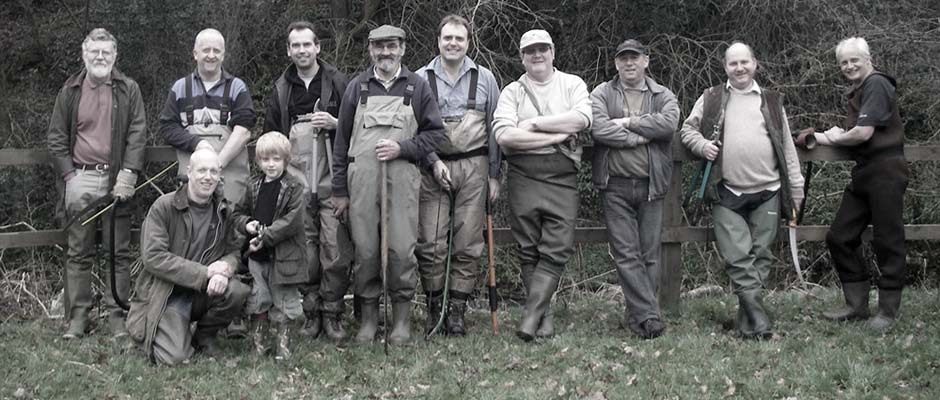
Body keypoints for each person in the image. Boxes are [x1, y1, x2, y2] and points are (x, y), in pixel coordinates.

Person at [680, 42, 804, 339]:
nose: (739, 68)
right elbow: (687, 130)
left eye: (744, 62)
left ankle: (748, 323)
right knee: (738, 258)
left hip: (769, 189)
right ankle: (760, 321)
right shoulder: (711, 98)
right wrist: (703, 146)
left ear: (755, 64)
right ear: (725, 67)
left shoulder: (772, 101)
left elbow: (786, 146)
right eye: (733, 63)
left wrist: (796, 186)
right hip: (726, 191)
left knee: (762, 256)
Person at [331, 25, 445, 345]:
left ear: (403, 49)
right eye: (378, 46)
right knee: (365, 250)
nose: (385, 52)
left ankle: (401, 321)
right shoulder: (357, 88)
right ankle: (368, 320)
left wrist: (403, 148)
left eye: (391, 46)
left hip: (403, 181)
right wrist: (339, 191)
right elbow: (341, 144)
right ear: (370, 50)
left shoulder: (418, 87)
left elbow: (436, 135)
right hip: (362, 182)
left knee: (401, 250)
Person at [46, 28, 146, 340]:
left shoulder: (128, 89)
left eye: (106, 52)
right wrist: (69, 177)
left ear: (115, 56)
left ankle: (117, 317)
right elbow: (56, 137)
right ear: (84, 54)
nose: (100, 57)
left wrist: (129, 174)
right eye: (94, 52)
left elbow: (138, 133)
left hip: (118, 178)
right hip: (80, 177)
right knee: (78, 251)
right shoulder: (71, 90)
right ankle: (78, 318)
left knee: (117, 251)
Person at [493, 29, 592, 342]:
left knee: (557, 246)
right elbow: (505, 136)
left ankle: (531, 316)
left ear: (553, 52)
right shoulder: (512, 91)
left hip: (562, 176)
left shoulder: (572, 84)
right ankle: (544, 320)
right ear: (522, 57)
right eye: (530, 51)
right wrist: (555, 136)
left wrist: (534, 124)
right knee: (528, 248)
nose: (537, 55)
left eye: (542, 49)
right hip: (523, 176)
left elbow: (581, 119)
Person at [263, 21, 353, 342]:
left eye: (307, 45)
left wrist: (335, 122)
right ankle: (311, 311)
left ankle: (333, 312)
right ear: (289, 51)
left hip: (332, 177)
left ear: (317, 47)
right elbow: (271, 137)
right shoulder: (281, 89)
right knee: (305, 249)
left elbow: (357, 128)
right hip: (296, 179)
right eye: (295, 46)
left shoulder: (337, 82)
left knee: (335, 248)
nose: (301, 50)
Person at [814, 37, 910, 333]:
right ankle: (856, 305)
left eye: (855, 59)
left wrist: (834, 136)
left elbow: (862, 133)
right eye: (843, 62)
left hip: (886, 171)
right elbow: (856, 133)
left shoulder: (877, 84)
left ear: (868, 58)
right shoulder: (860, 89)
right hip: (865, 172)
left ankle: (887, 312)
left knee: (888, 240)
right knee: (840, 236)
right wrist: (815, 137)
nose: (849, 66)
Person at [414, 14, 502, 336]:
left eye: (459, 39)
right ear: (438, 41)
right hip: (432, 168)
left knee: (468, 242)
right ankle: (433, 307)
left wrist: (494, 174)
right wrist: (433, 161)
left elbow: (496, 128)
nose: (453, 43)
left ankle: (457, 311)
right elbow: (415, 128)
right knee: (430, 242)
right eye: (447, 38)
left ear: (468, 42)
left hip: (474, 167)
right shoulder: (420, 78)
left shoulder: (486, 79)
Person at [589, 39, 680, 339]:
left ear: (646, 61)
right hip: (614, 186)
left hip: (651, 185)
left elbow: (668, 124)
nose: (629, 63)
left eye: (635, 58)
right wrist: (636, 138)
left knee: (650, 254)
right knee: (627, 254)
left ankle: (639, 317)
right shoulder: (602, 93)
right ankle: (650, 317)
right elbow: (598, 128)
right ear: (616, 63)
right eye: (623, 58)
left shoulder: (661, 94)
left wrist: (628, 121)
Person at [126, 149, 249, 366]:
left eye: (213, 171)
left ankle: (204, 336)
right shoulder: (164, 206)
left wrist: (226, 268)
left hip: (204, 291)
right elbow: (153, 257)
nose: (208, 177)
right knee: (174, 358)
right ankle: (167, 330)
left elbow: (234, 251)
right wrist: (206, 272)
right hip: (168, 293)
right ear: (189, 172)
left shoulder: (223, 209)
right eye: (202, 170)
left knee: (236, 291)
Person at [232, 132, 307, 360]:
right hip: (257, 256)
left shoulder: (294, 187)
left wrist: (265, 235)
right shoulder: (253, 186)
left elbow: (292, 221)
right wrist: (247, 225)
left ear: (286, 160)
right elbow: (237, 213)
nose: (271, 164)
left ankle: (284, 347)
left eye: (276, 159)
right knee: (258, 299)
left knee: (285, 301)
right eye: (265, 159)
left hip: (284, 256)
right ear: (258, 162)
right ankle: (259, 344)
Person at [159, 28, 256, 205]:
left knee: (232, 226)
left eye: (216, 51)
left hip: (230, 180)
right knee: (189, 227)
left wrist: (215, 166)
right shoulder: (180, 88)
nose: (211, 55)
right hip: (191, 180)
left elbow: (244, 131)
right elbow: (167, 128)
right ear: (195, 54)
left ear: (223, 55)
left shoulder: (237, 87)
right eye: (206, 50)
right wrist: (198, 144)